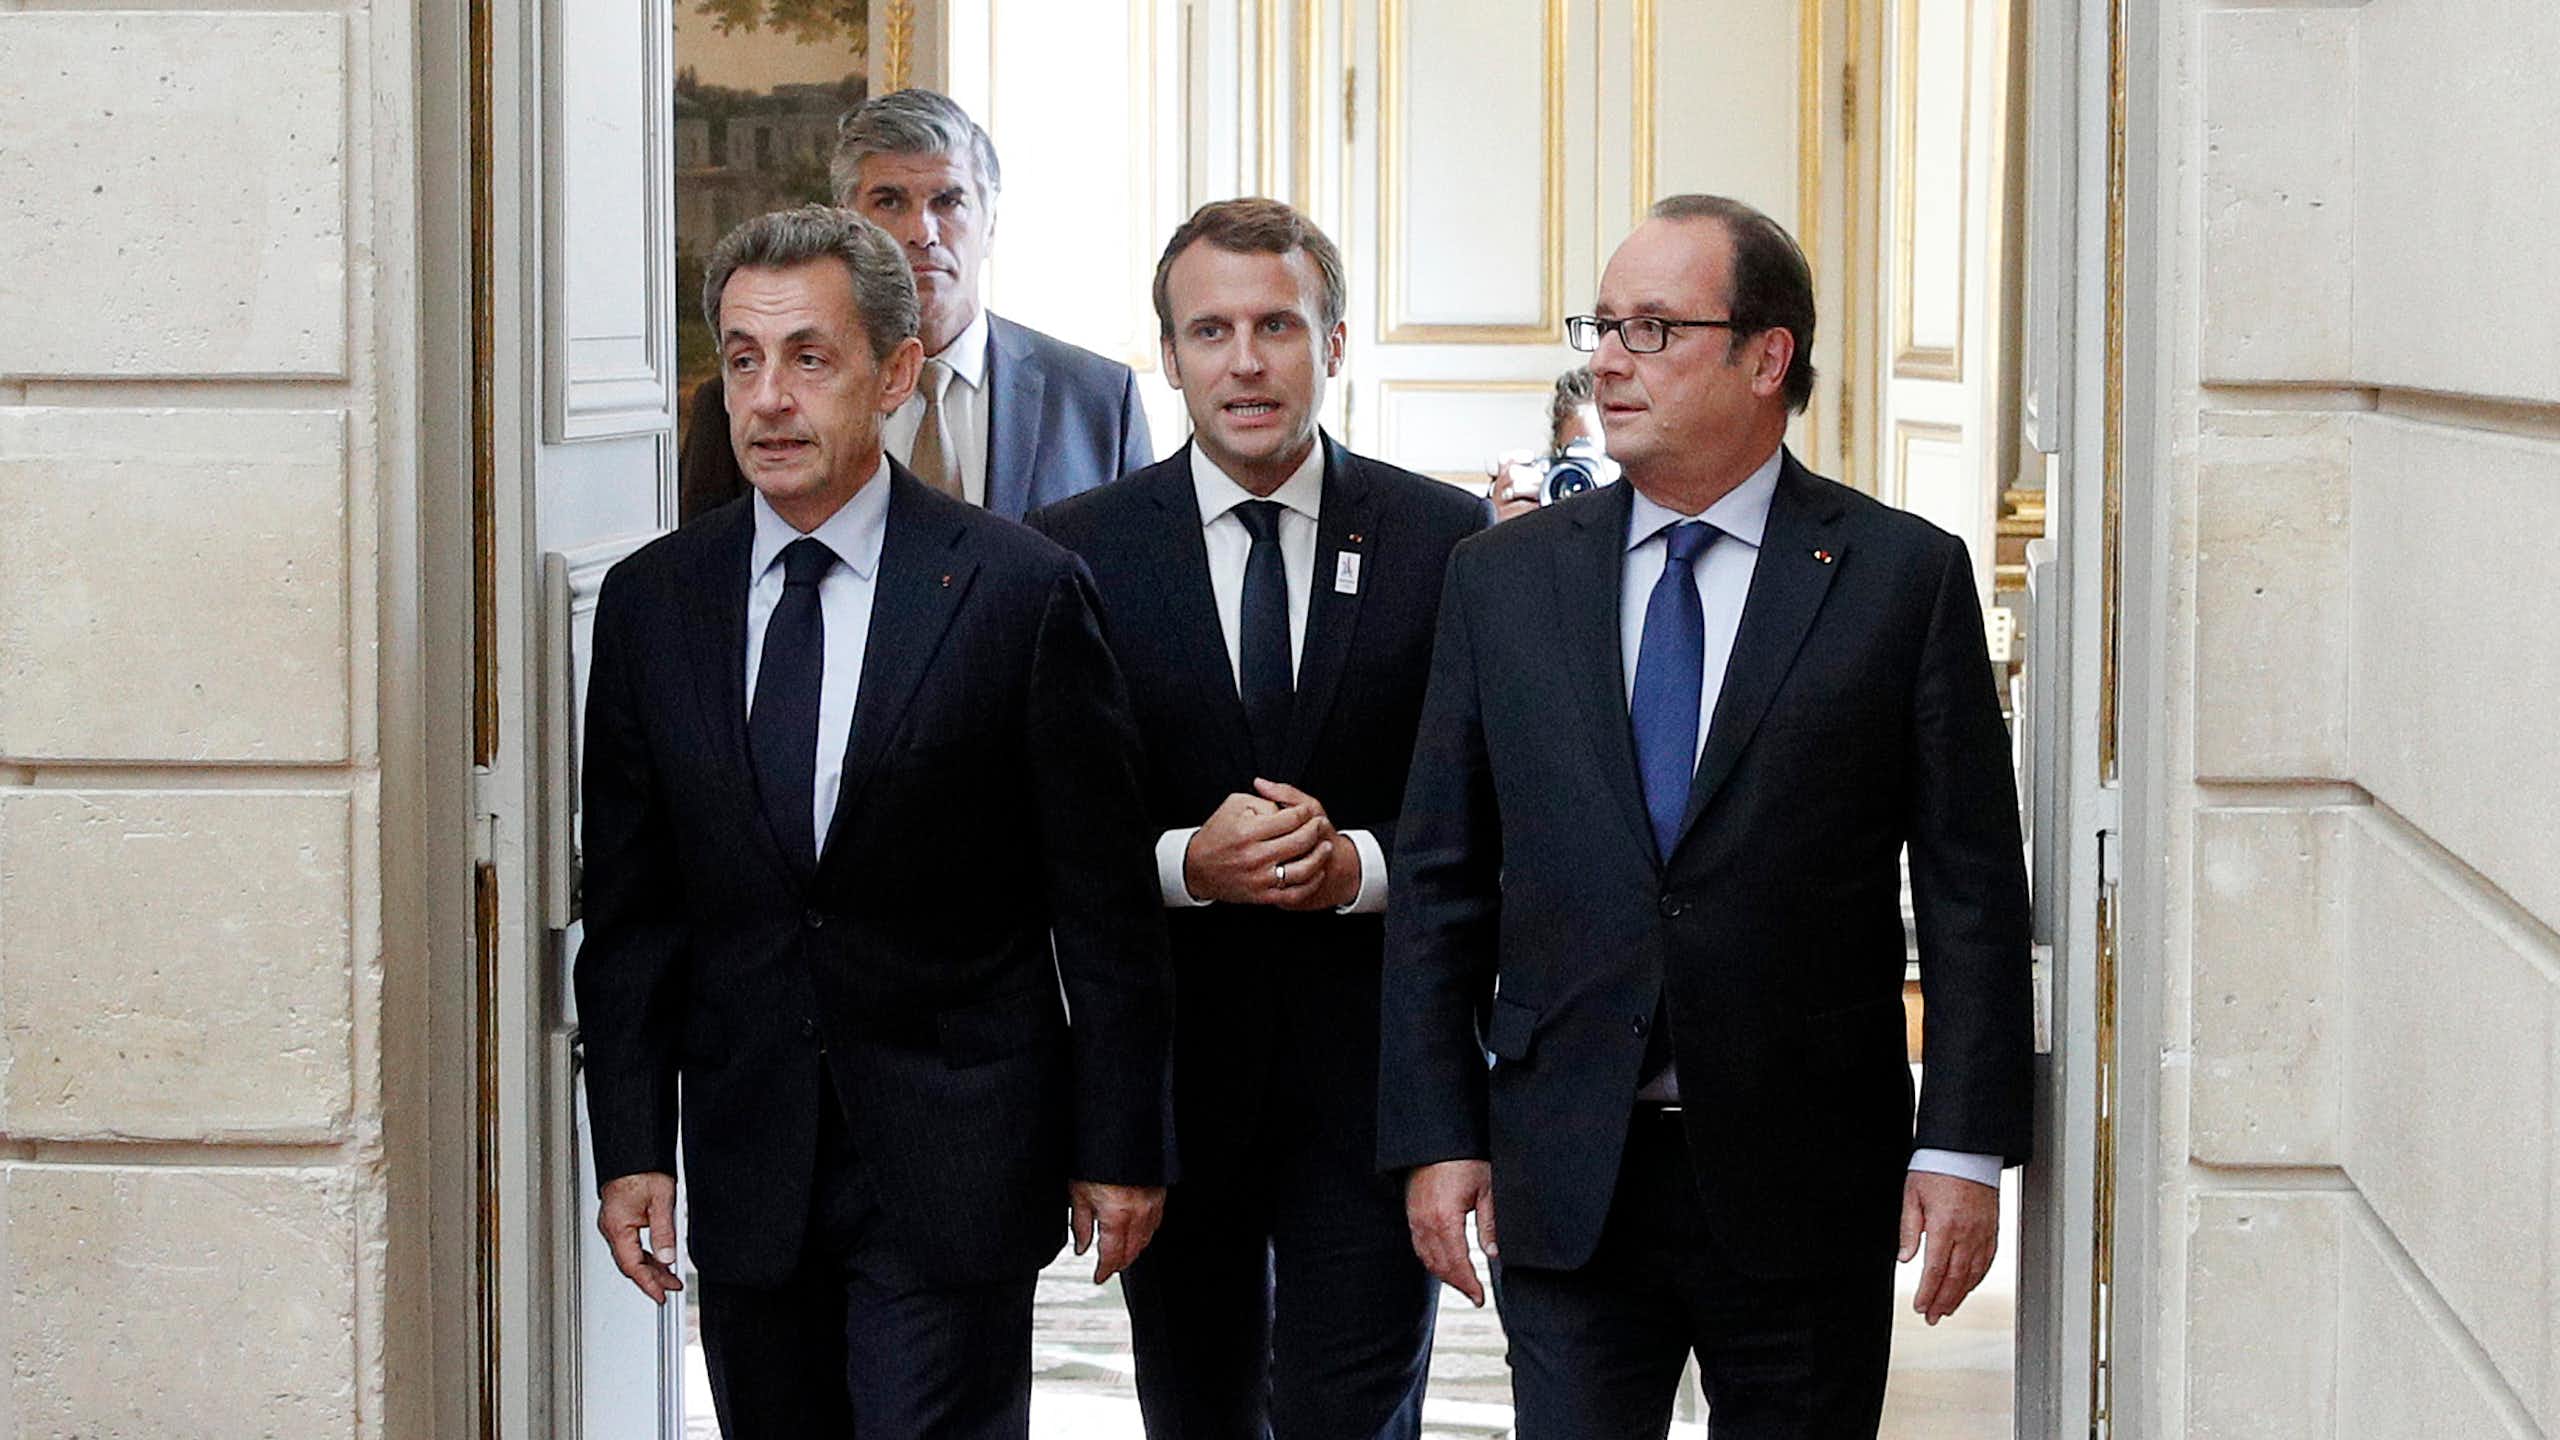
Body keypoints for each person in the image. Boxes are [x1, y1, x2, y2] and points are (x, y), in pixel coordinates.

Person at [1377, 193, 2032, 1439]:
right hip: (1568, 1168)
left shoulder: (1900, 577)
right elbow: (1441, 876)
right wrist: (1436, 1130)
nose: (1604, 360)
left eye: (1653, 329)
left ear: (1764, 357)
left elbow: (1969, 891)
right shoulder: (1501, 579)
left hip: (1806, 1173)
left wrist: (1960, 1145)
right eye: (1601, 324)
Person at [579, 204, 1174, 1439]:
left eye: (810, 357)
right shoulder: (651, 606)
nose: (770, 398)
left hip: (955, 1154)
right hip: (751, 1161)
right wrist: (631, 1146)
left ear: (895, 373)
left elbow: (1102, 904)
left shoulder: (1018, 590)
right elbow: (633, 913)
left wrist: (1120, 1138)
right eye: (743, 360)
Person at [1030, 198, 1490, 1439]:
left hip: (1374, 1076)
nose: (1245, 361)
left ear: (1333, 342)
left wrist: (1359, 869)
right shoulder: (1073, 553)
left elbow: (1483, 811)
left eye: (1277, 325)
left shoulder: (1446, 541)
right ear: (1168, 357)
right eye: (1211, 330)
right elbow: (1042, 835)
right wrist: (1187, 865)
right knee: (1197, 1410)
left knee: (1355, 1413)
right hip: (1175, 1083)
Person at [677, 89, 1155, 522]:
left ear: (990, 226)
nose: (922, 232)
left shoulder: (1099, 400)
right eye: (889, 202)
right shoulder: (741, 414)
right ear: (848, 224)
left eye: (949, 202)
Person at [1486, 366, 1603, 521]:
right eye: (1579, 464)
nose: (1591, 479)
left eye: (1611, 459)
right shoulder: (1546, 500)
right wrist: (1501, 530)